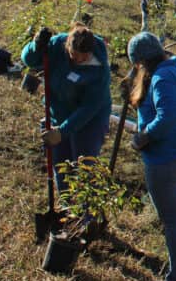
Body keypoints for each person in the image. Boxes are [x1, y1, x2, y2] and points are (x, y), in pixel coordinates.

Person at [127, 32, 176, 281]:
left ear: (142, 61)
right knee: (175, 218)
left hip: (166, 158)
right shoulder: (175, 70)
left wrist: (145, 136)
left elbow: (168, 116)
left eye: (136, 64)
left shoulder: (161, 78)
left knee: (174, 222)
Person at [21, 24, 111, 188]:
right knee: (61, 165)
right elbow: (30, 60)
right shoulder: (57, 44)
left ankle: (86, 204)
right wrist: (36, 46)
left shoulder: (99, 69)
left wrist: (62, 131)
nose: (78, 60)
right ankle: (66, 202)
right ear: (67, 46)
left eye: (84, 58)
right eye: (74, 56)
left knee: (83, 167)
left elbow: (89, 107)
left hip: (89, 121)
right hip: (59, 112)